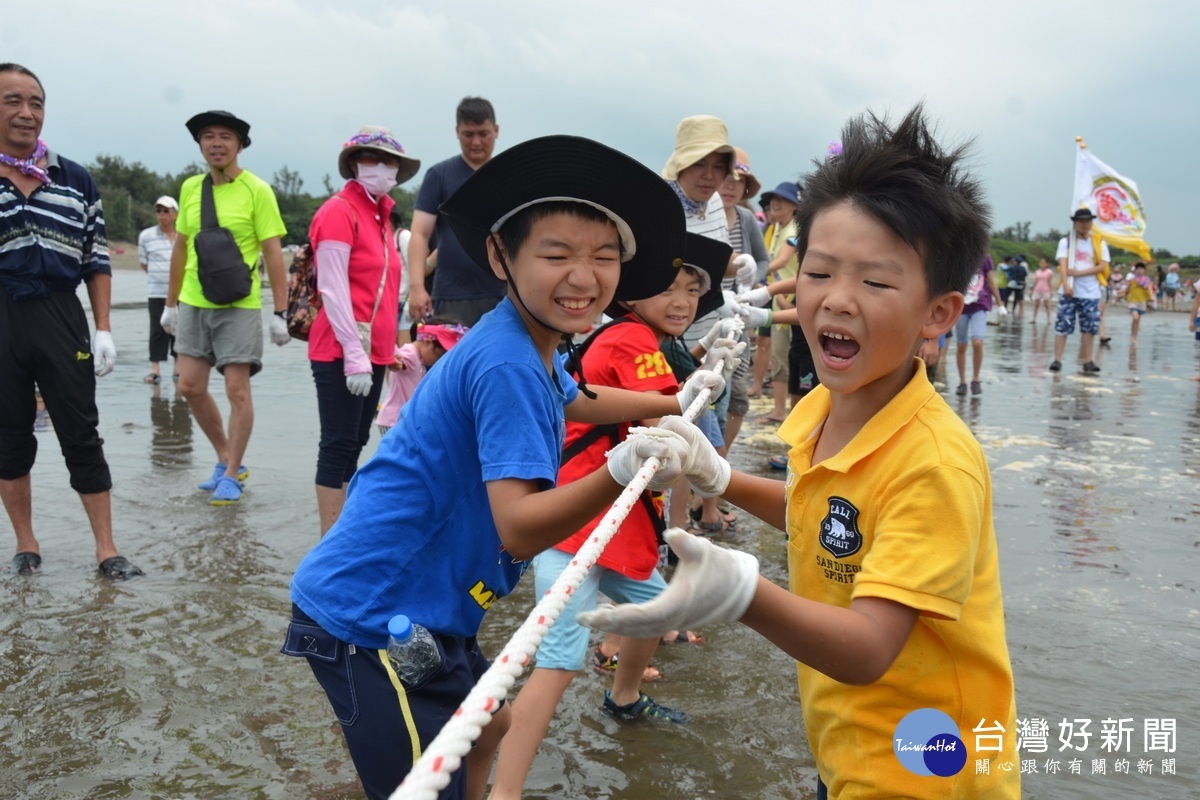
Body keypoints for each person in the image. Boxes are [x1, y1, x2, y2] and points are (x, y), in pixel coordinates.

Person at [581, 104, 1020, 800]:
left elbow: (869, 647)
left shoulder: (935, 460)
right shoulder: (827, 410)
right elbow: (829, 516)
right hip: (845, 745)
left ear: (939, 313)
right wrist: (718, 474)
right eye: (819, 274)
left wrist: (742, 595)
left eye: (875, 282)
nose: (837, 301)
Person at [284, 135, 731, 800]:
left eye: (604, 258)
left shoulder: (534, 345)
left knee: (489, 724)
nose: (584, 278)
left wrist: (672, 401)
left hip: (435, 607)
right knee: (424, 782)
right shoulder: (508, 364)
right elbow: (520, 529)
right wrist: (620, 466)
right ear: (501, 255)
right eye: (556, 254)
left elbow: (578, 395)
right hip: (375, 616)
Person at [488, 232, 734, 800]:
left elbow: (667, 398)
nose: (682, 301)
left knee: (655, 610)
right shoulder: (629, 336)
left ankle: (622, 697)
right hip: (579, 524)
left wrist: (694, 374)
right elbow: (674, 408)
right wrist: (689, 393)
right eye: (669, 287)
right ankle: (505, 791)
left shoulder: (640, 335)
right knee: (556, 662)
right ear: (634, 289)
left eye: (693, 291)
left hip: (615, 522)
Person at [0, 63, 142, 579]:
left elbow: (96, 259)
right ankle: (26, 544)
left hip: (62, 313)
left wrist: (103, 327)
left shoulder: (74, 176)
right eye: (12, 100)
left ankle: (107, 549)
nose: (26, 112)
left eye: (35, 102)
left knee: (81, 431)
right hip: (2, 316)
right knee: (9, 437)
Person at [160, 110, 289, 505]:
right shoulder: (190, 189)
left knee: (236, 389)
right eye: (209, 137)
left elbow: (273, 252)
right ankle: (224, 457)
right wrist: (171, 304)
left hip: (240, 302)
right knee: (189, 386)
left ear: (239, 145)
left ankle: (233, 474)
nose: (216, 143)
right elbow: (181, 247)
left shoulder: (257, 190)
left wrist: (280, 312)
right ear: (200, 144)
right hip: (194, 302)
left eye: (225, 137)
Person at [307, 126, 420, 535]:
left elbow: (386, 289)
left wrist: (387, 348)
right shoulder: (339, 211)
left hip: (373, 352)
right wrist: (354, 353)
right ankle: (328, 539)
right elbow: (333, 287)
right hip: (339, 349)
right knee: (337, 443)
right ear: (355, 164)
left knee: (355, 441)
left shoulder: (381, 216)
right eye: (373, 158)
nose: (383, 168)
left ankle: (341, 531)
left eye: (391, 161)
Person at [405, 97, 504, 327]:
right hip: (451, 296)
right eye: (468, 134)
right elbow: (419, 233)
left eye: (483, 133)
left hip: (504, 294)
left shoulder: (508, 174)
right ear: (457, 132)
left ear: (496, 130)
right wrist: (417, 287)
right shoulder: (439, 175)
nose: (476, 142)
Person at [375, 319, 467, 436]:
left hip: (402, 419)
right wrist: (392, 357)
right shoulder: (410, 354)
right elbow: (398, 356)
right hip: (394, 420)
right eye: (439, 356)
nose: (438, 361)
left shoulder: (419, 358)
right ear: (427, 342)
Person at [1050, 208, 1108, 374]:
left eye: (1087, 221)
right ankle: (1057, 359)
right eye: (1081, 221)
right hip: (1069, 290)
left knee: (1089, 328)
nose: (1084, 224)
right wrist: (1066, 284)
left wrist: (1078, 272)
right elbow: (1063, 264)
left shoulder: (1099, 243)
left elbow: (1102, 266)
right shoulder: (1066, 242)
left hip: (1090, 292)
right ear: (1074, 223)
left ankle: (1088, 360)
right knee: (1063, 325)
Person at [138, 195, 179, 384]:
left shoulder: (183, 236)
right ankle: (155, 369)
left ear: (175, 214)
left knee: (179, 329)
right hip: (156, 291)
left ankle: (179, 368)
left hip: (181, 292)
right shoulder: (146, 236)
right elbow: (144, 263)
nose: (162, 215)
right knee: (157, 329)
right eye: (159, 211)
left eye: (166, 211)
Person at [953, 253, 1005, 396]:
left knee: (977, 342)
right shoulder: (958, 257)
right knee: (961, 345)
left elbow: (991, 280)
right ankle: (962, 381)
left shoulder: (984, 257)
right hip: (961, 306)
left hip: (980, 304)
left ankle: (975, 379)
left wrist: (999, 303)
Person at [1120, 261, 1155, 344]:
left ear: (1144, 270)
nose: (1140, 271)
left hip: (1142, 302)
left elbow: (1150, 290)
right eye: (1138, 269)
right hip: (1132, 301)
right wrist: (1120, 293)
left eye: (1142, 269)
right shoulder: (1132, 280)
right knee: (1135, 317)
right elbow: (1127, 290)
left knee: (1138, 321)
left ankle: (1135, 337)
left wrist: (1151, 298)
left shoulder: (1147, 281)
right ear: (1135, 271)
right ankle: (1132, 336)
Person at [1029, 256, 1055, 325]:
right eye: (1041, 263)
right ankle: (1034, 319)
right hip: (1038, 289)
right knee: (1036, 304)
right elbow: (1035, 281)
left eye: (1043, 263)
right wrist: (1032, 290)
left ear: (1047, 264)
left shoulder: (1049, 272)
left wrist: (1051, 291)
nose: (1042, 264)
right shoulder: (1037, 272)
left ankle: (1049, 320)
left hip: (1046, 289)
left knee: (1047, 305)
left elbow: (1050, 282)